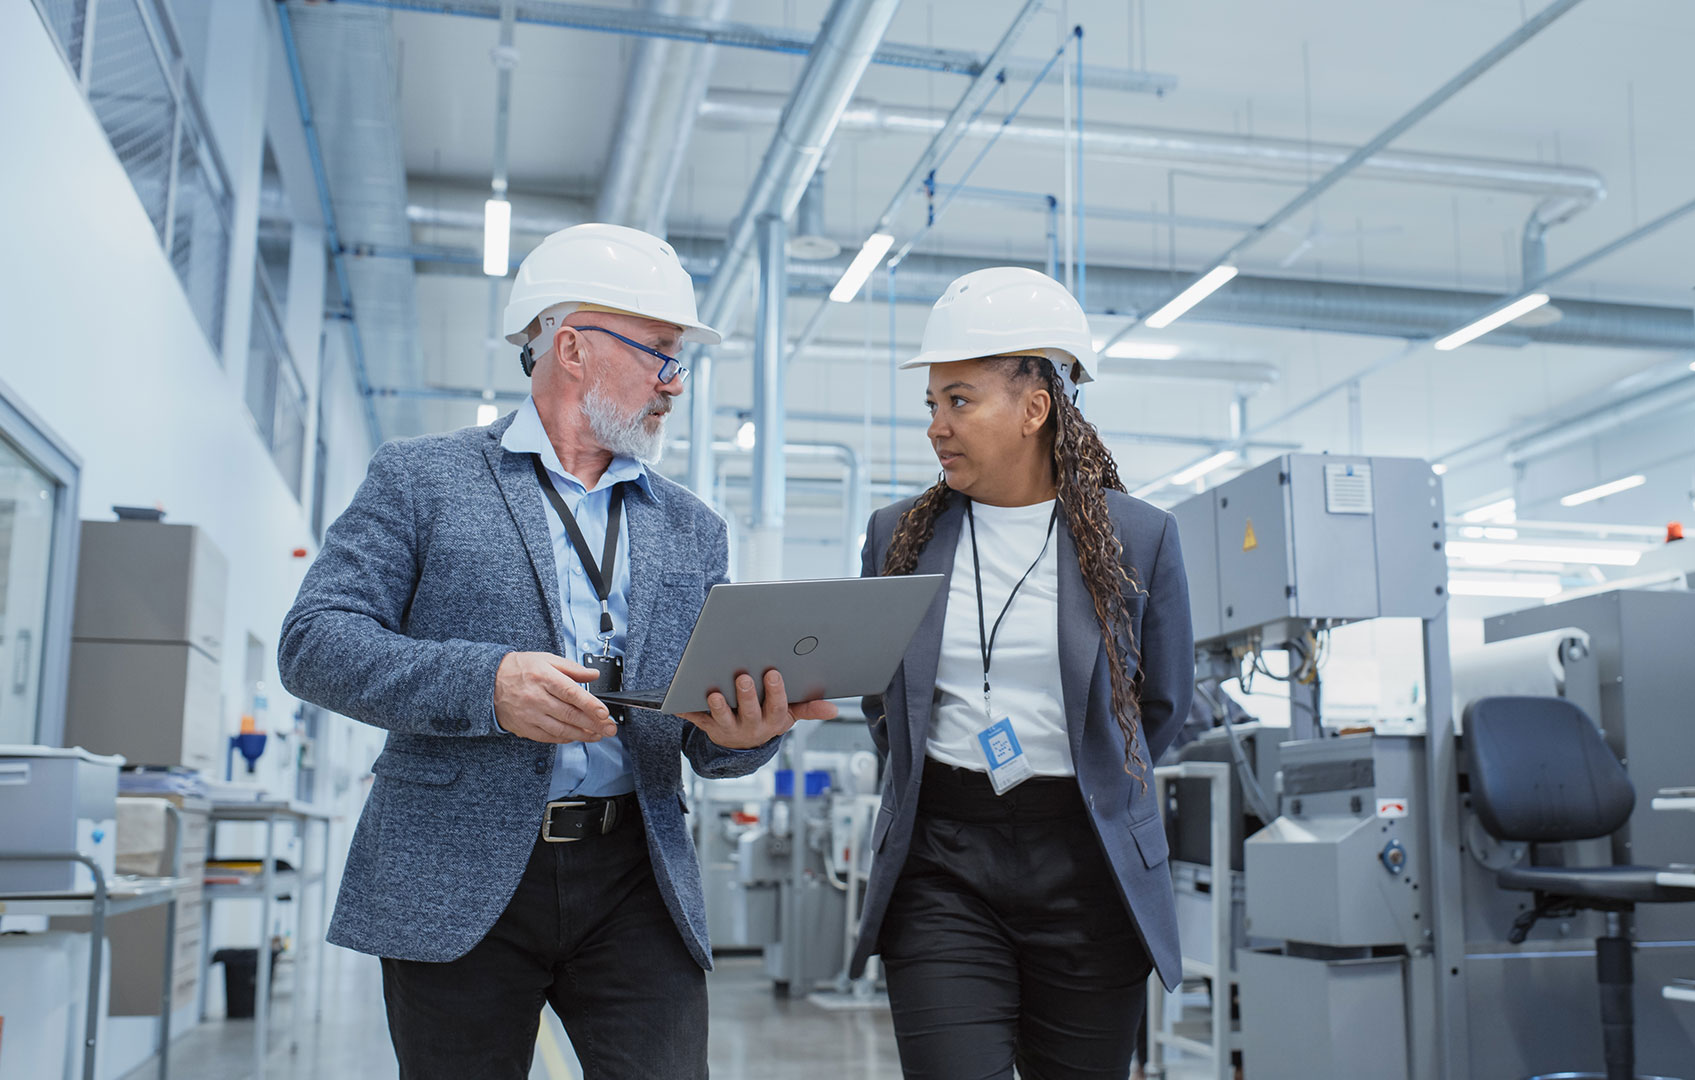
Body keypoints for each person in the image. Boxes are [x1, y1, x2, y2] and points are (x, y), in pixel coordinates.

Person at [280, 223, 833, 1079]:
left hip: (635, 877)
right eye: (659, 352)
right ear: (571, 348)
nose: (674, 383)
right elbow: (315, 642)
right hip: (457, 871)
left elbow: (699, 742)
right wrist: (487, 684)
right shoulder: (422, 480)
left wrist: (746, 733)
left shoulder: (693, 529)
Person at [846, 267, 1196, 1079]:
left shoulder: (1137, 539)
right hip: (942, 864)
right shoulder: (897, 535)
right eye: (932, 404)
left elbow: (1165, 706)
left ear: (1035, 408)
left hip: (1089, 866)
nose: (937, 424)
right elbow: (882, 700)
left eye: (959, 400)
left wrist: (1104, 782)